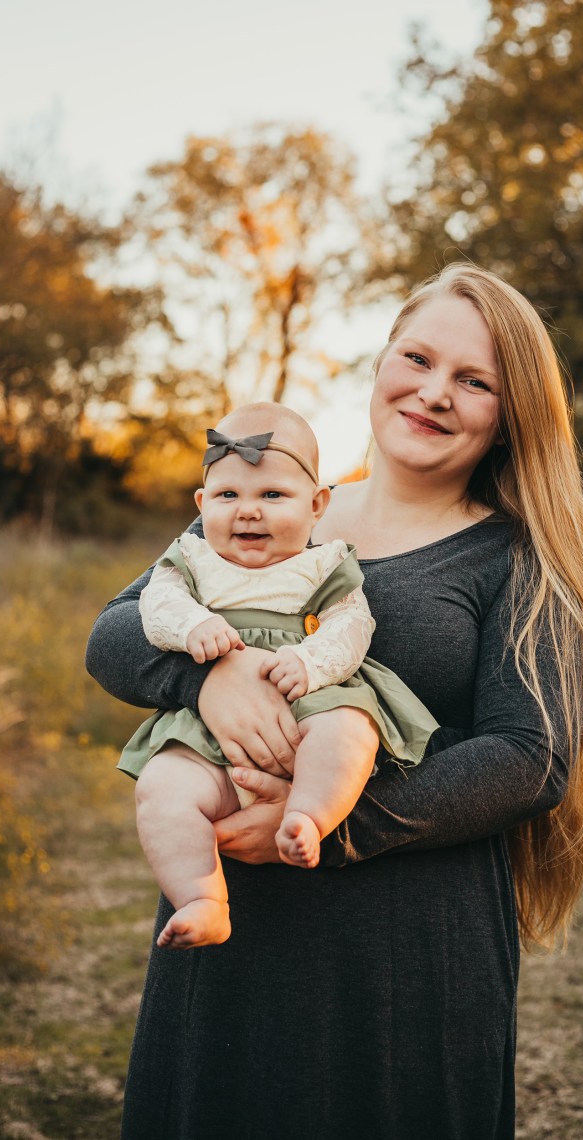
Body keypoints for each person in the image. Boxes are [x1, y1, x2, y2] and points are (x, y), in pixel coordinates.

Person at [86, 263, 583, 1139]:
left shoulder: (518, 556)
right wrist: (205, 679)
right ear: (380, 363)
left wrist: (336, 824)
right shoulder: (275, 503)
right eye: (418, 358)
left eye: (474, 381)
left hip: (409, 952)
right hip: (233, 928)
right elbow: (116, 633)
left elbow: (531, 756)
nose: (434, 392)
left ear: (509, 415)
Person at [119, 402, 437, 949]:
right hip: (212, 730)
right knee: (162, 787)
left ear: (316, 506)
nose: (248, 512)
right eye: (228, 496)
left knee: (350, 730)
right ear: (201, 505)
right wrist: (193, 625)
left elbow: (351, 625)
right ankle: (201, 898)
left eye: (272, 495)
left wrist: (311, 663)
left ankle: (309, 817)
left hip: (310, 692)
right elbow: (156, 603)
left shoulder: (324, 563)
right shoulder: (192, 558)